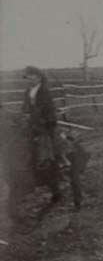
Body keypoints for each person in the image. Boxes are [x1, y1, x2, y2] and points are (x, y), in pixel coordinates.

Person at [21, 66, 62, 201]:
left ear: (38, 77)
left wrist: (41, 121)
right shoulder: (28, 91)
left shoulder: (44, 91)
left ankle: (56, 189)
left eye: (31, 76)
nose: (28, 79)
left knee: (46, 156)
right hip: (32, 125)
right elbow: (25, 108)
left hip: (45, 125)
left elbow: (48, 110)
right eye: (27, 76)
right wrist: (24, 116)